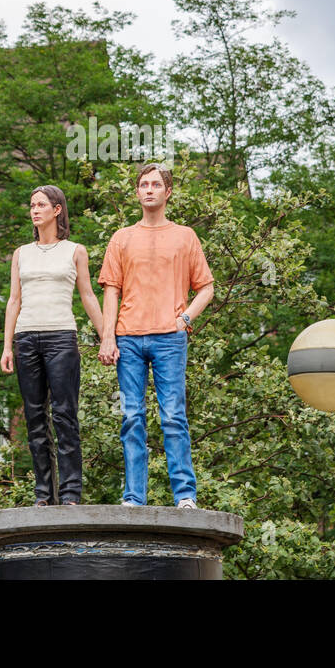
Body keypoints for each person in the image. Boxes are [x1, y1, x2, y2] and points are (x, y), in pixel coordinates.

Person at [98, 162, 214, 509]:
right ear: (137, 192)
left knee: (173, 416)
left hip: (169, 338)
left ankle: (185, 495)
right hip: (128, 338)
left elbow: (206, 287)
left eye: (155, 185)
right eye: (143, 185)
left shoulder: (185, 236)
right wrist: (107, 336)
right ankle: (134, 497)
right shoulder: (122, 238)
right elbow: (110, 291)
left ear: (168, 192)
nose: (148, 189)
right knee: (131, 416)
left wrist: (185, 319)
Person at [1, 185, 104, 506]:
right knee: (34, 418)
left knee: (64, 415)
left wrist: (107, 336)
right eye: (31, 205)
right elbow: (14, 300)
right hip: (26, 338)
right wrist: (7, 346)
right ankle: (43, 494)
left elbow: (87, 295)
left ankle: (71, 493)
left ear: (57, 210)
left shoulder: (75, 251)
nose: (34, 210)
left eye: (41, 205)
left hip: (61, 337)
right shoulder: (21, 253)